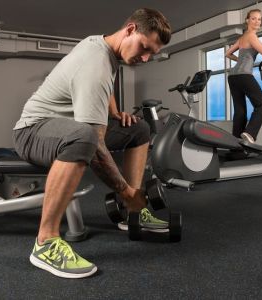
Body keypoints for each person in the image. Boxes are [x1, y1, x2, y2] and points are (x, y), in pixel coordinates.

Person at [12, 8, 172, 279]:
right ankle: (45, 243)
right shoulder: (96, 62)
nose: (145, 58)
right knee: (84, 137)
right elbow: (97, 147)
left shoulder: (105, 47)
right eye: (144, 48)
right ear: (131, 29)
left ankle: (130, 214)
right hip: (33, 131)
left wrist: (114, 111)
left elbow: (104, 86)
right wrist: (125, 191)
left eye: (151, 54)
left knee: (138, 128)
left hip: (65, 126)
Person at [226, 9, 262, 143]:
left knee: (240, 111)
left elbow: (227, 53)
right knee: (261, 105)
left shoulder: (241, 38)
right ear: (247, 20)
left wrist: (240, 62)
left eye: (259, 19)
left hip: (233, 77)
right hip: (244, 75)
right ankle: (250, 133)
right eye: (253, 18)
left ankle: (236, 145)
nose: (257, 21)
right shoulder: (251, 36)